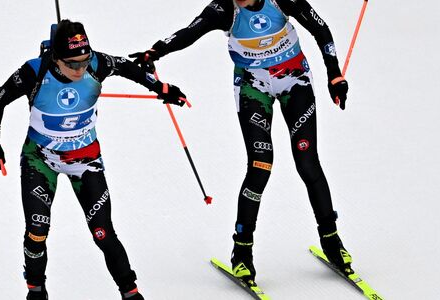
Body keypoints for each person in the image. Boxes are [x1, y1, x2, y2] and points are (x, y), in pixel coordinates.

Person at [130, 0, 354, 287]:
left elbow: (320, 29)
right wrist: (156, 51)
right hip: (252, 86)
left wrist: (334, 73)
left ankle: (331, 240)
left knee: (308, 162)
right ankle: (242, 251)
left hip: (294, 80)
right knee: (260, 166)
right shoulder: (225, 8)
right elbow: (190, 32)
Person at [0, 19, 187, 300]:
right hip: (40, 159)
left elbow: (128, 68)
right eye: (72, 64)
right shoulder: (35, 71)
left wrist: (160, 87)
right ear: (56, 57)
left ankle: (131, 293)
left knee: (103, 233)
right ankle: (36, 293)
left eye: (84, 61)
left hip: (85, 161)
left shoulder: (98, 64)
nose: (80, 69)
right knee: (37, 231)